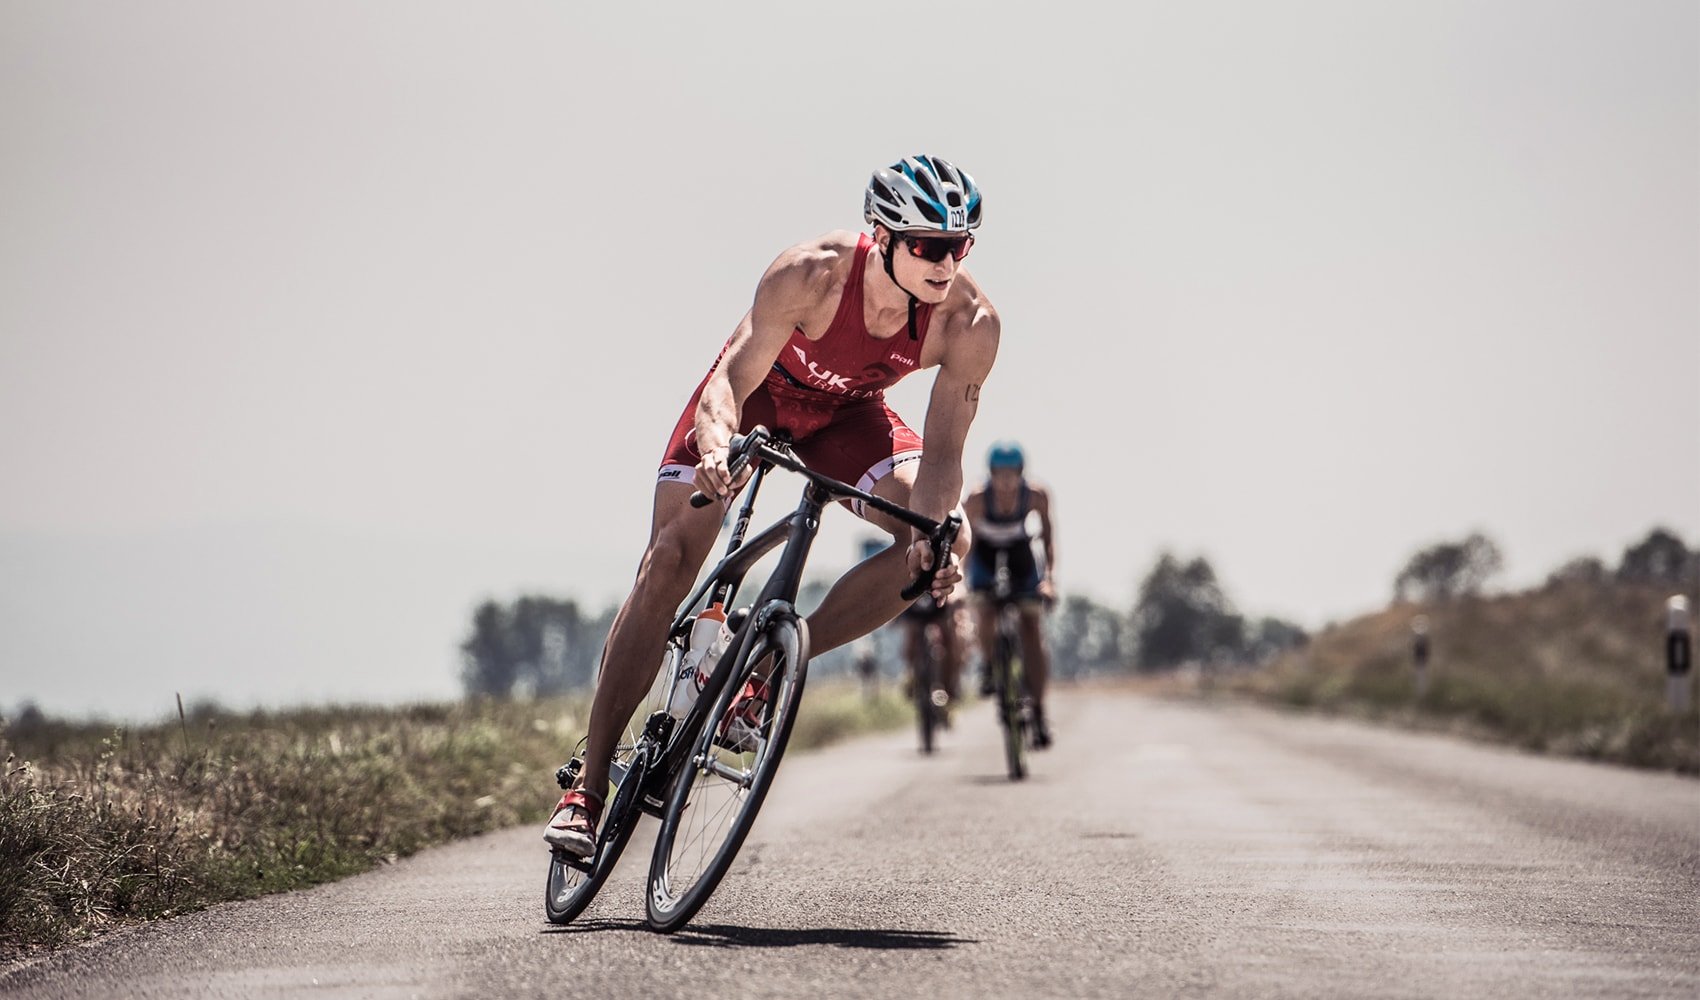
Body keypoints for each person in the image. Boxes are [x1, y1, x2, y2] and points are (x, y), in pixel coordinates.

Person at [544, 155, 1000, 857]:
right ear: (881, 235)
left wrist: (934, 538)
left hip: (846, 418)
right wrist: (719, 447)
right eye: (929, 245)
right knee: (668, 559)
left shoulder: (969, 322)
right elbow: (730, 378)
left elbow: (942, 458)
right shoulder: (811, 273)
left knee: (942, 538)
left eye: (960, 245)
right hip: (751, 402)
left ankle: (774, 664)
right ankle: (590, 787)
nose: (947, 262)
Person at [963, 441, 1057, 748]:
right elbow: (965, 545)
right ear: (991, 474)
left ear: (1021, 473)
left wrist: (1049, 581)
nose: (1005, 481)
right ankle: (990, 665)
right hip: (984, 556)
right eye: (999, 474)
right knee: (983, 609)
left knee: (1032, 626)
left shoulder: (1036, 495)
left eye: (1011, 474)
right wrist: (962, 584)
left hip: (1020, 554)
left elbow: (1048, 539)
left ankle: (1040, 711)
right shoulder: (976, 499)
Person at [897, 582, 964, 721]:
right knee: (911, 637)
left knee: (951, 637)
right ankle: (912, 675)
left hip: (940, 596)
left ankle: (949, 689)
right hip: (914, 594)